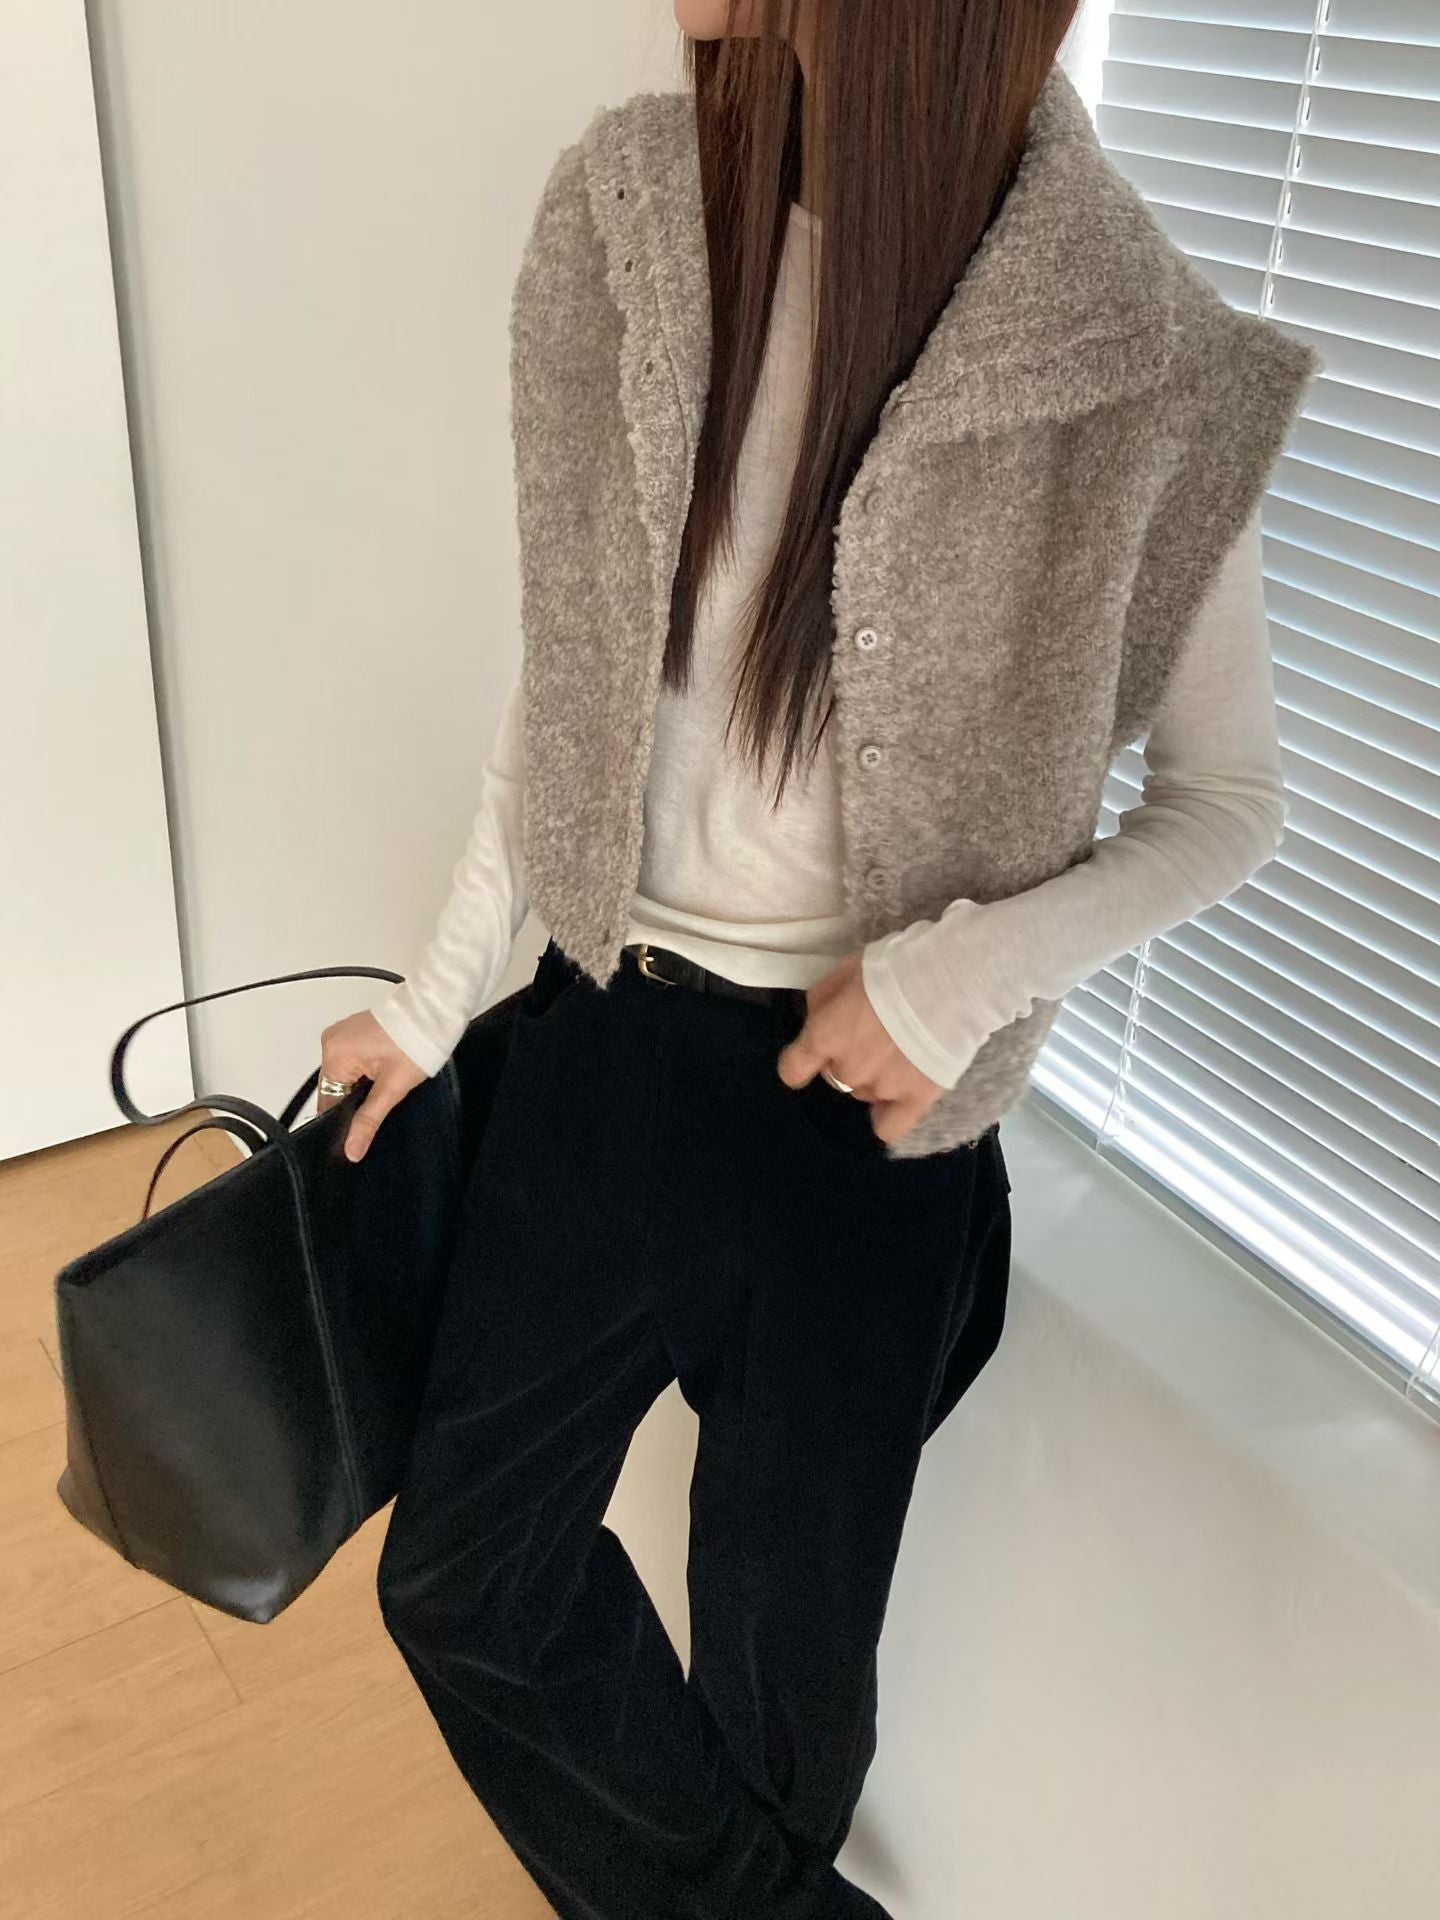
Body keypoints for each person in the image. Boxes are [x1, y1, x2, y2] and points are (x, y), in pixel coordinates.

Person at [317, 5, 1318, 1914]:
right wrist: (436, 1000)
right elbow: (572, 682)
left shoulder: (1130, 354)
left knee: (786, 1703)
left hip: (868, 1113)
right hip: (609, 1046)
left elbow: (1229, 803)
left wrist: (953, 983)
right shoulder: (630, 224)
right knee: (462, 1576)